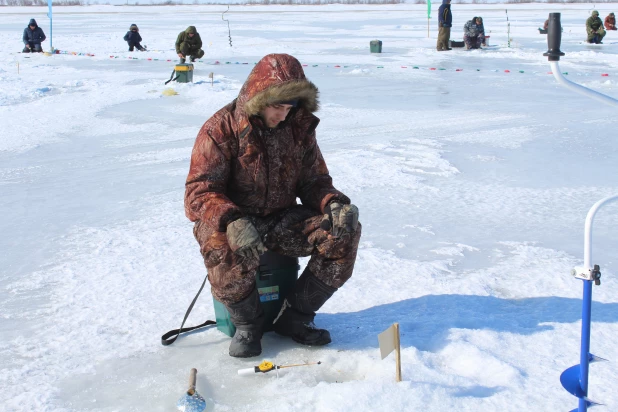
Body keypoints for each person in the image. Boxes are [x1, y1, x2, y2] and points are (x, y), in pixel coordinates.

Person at [185, 53, 361, 358]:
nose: (283, 115)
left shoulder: (298, 128)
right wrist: (232, 219)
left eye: (289, 107)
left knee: (343, 231)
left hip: (281, 218)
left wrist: (332, 202)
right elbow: (198, 193)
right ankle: (248, 324)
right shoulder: (220, 128)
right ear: (258, 98)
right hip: (237, 222)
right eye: (276, 106)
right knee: (218, 243)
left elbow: (314, 180)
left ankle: (294, 318)